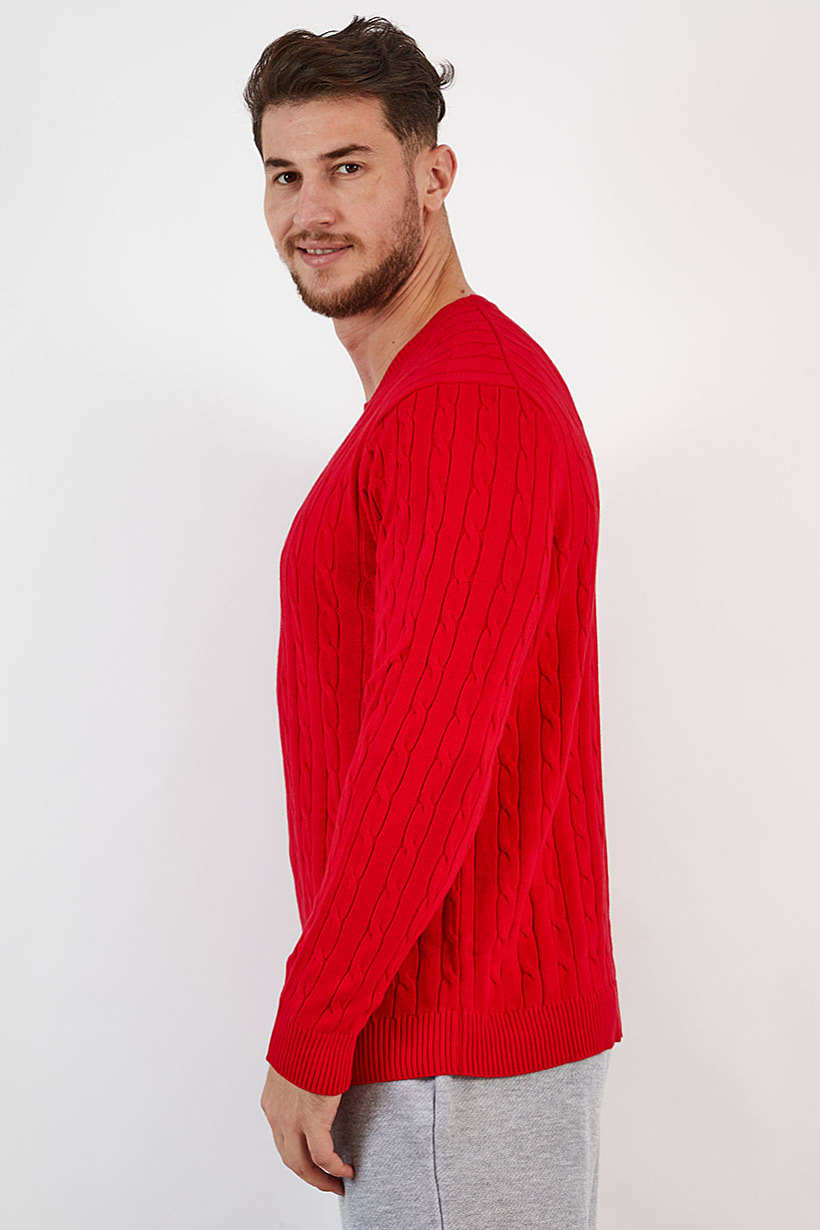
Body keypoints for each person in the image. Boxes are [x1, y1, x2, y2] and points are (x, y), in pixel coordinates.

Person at [244, 16, 623, 1229]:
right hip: (442, 1043)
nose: (311, 210)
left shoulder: (463, 402)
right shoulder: (433, 396)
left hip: (454, 1056)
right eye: (284, 174)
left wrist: (312, 1026)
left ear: (433, 174)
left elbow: (428, 750)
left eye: (348, 166)